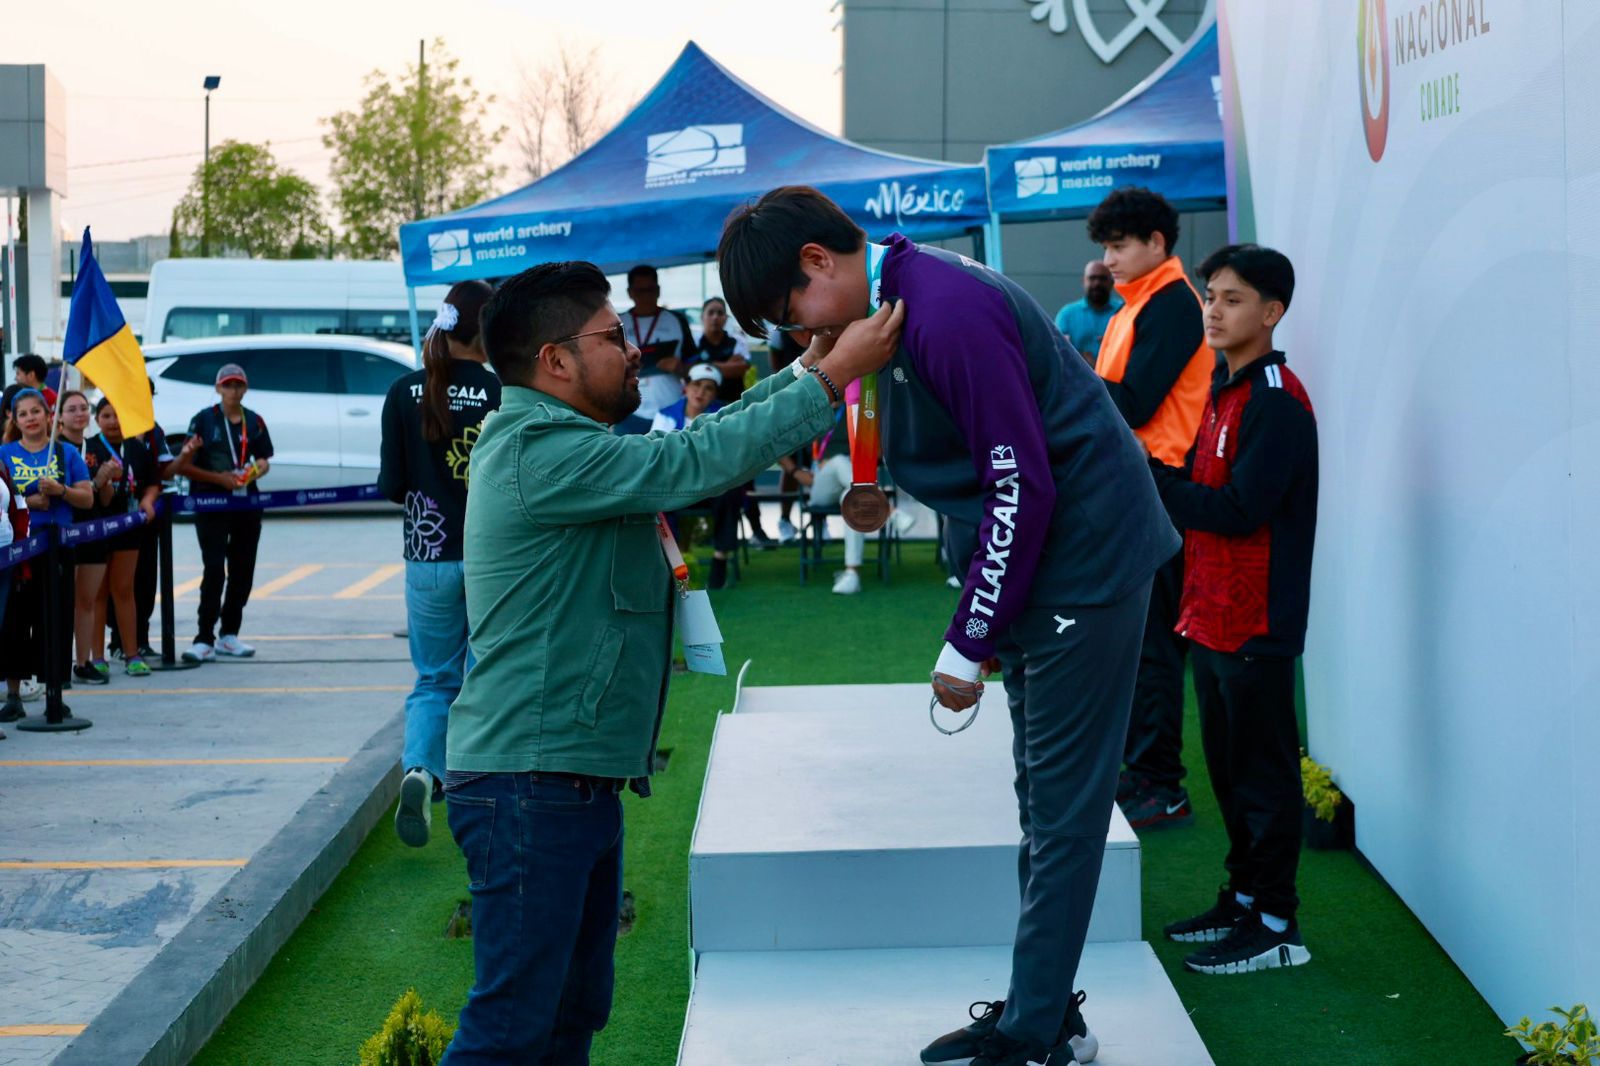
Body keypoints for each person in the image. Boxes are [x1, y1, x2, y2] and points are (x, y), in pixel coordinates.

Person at [718, 186, 1179, 1066]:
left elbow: (1020, 485)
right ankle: (1044, 1010)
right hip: (1044, 562)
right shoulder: (890, 302)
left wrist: (968, 640)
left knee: (1063, 811)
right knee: (1041, 799)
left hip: (1084, 561)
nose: (797, 333)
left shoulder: (944, 311)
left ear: (817, 262)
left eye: (787, 311)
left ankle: (1035, 1034)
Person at [440, 260, 901, 1064]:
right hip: (531, 784)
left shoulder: (566, 443)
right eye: (613, 336)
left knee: (568, 1016)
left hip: (565, 780)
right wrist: (831, 380)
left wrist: (807, 367)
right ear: (555, 360)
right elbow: (687, 465)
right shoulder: (536, 451)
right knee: (510, 1032)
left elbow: (692, 443)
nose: (633, 351)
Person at [1147, 244, 1318, 975]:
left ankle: (1276, 924)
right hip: (1210, 616)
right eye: (1211, 296)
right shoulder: (1227, 387)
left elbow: (1241, 510)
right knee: (1226, 771)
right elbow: (1207, 498)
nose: (1213, 311)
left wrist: (1151, 480)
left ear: (1272, 312)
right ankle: (1246, 898)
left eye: (1232, 299)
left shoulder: (1275, 398)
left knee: (1263, 778)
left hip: (1255, 625)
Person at [1087, 185, 1211, 832]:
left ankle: (1162, 785)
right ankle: (1144, 772)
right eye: (1106, 248)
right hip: (1137, 485)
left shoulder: (1173, 304)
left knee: (1155, 642)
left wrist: (1069, 376)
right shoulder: (1138, 304)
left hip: (1162, 486)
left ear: (1156, 243)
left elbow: (1133, 403)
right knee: (1138, 640)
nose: (1108, 259)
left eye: (1118, 246)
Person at [378, 280, 501, 848]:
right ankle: (476, 784)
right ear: (487, 330)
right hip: (490, 553)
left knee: (433, 678)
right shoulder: (501, 391)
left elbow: (392, 485)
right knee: (484, 674)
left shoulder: (402, 391)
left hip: (426, 554)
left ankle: (421, 771)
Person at [0, 389, 93, 715]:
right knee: (14, 621)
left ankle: (55, 692)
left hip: (57, 549)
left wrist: (61, 490)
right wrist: (28, 500)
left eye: (35, 411)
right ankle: (13, 696)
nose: (30, 419)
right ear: (14, 420)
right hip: (17, 551)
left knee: (55, 620)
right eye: (23, 414)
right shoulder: (4, 453)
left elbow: (87, 498)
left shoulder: (66, 453)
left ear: (48, 414)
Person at [175, 363, 273, 662]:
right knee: (215, 569)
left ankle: (229, 634)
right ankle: (203, 637)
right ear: (218, 388)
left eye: (238, 385)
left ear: (245, 388)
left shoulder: (254, 420)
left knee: (243, 570)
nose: (233, 390)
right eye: (228, 385)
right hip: (211, 503)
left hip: (246, 503)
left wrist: (252, 472)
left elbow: (264, 459)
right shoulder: (203, 420)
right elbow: (185, 466)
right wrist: (220, 479)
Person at [78, 398, 161, 679]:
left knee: (124, 590)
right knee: (98, 594)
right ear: (97, 420)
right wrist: (103, 480)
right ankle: (97, 658)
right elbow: (90, 489)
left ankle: (132, 654)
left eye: (117, 415)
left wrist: (148, 501)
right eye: (106, 415)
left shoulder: (136, 448)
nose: (113, 421)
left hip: (129, 527)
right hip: (98, 527)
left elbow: (153, 483)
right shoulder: (89, 448)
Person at [651, 364, 743, 590]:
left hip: (712, 486)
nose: (700, 392)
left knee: (731, 493)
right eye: (696, 385)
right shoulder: (665, 415)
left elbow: (728, 457)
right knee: (657, 497)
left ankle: (720, 559)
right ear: (686, 387)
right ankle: (672, 562)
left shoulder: (724, 416)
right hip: (677, 486)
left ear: (715, 394)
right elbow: (657, 456)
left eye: (708, 388)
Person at [57, 390, 112, 684]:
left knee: (87, 601)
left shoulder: (97, 447)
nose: (79, 414)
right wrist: (94, 482)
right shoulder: (54, 449)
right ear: (59, 416)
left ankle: (83, 662)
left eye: (83, 408)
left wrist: (106, 480)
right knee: (63, 601)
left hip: (93, 531)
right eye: (72, 409)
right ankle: (58, 666)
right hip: (65, 532)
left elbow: (105, 499)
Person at [616, 264, 694, 434]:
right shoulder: (617, 323)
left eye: (650, 290)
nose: (645, 296)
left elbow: (695, 365)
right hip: (629, 411)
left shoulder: (677, 320)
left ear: (658, 290)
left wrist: (680, 367)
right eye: (640, 291)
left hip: (671, 409)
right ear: (630, 292)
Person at [1053, 261, 1122, 363]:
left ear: (1112, 282)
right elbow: (1056, 350)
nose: (1097, 283)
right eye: (1092, 278)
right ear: (1083, 282)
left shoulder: (1123, 311)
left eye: (1102, 278)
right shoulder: (1067, 314)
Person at [690, 296, 752, 404]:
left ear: (726, 318)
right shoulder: (694, 342)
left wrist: (704, 365)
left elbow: (741, 369)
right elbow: (688, 371)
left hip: (732, 403)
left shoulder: (737, 342)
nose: (715, 317)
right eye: (710, 313)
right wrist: (727, 366)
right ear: (702, 317)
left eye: (720, 313)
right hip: (702, 405)